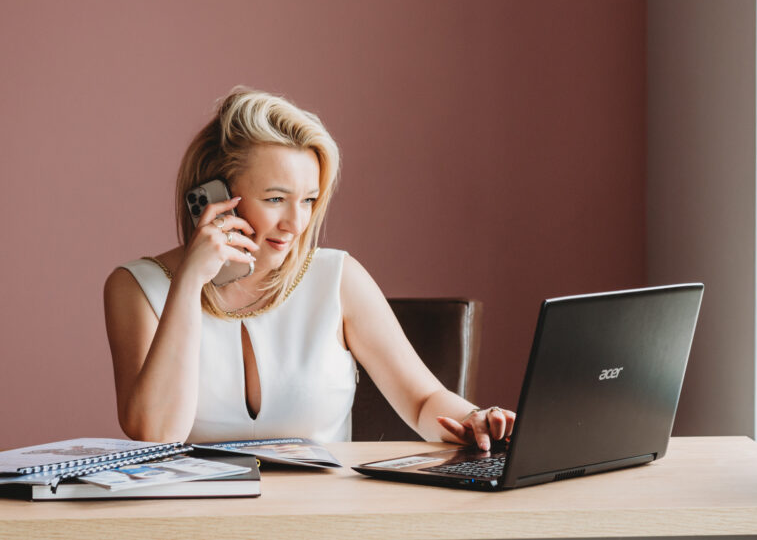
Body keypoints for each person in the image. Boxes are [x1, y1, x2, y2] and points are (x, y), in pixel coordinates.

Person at [104, 87, 514, 449]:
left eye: (309, 201)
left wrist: (474, 418)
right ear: (212, 196)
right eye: (275, 199)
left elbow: (424, 401)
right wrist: (191, 281)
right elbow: (156, 433)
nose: (296, 224)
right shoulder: (136, 289)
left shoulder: (338, 278)